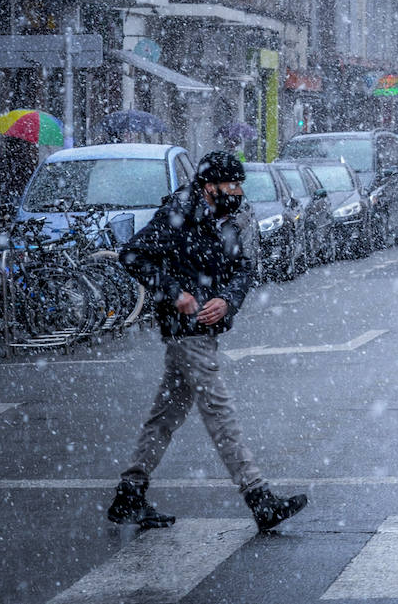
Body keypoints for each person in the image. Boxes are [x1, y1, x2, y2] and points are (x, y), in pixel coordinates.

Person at [106, 151, 307, 532]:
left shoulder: (228, 217)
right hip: (188, 331)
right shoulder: (179, 212)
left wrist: (228, 300)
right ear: (210, 185)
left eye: (239, 184)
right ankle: (258, 497)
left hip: (205, 329)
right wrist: (174, 293)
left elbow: (243, 267)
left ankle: (129, 493)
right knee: (220, 413)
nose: (238, 191)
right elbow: (133, 254)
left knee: (166, 416)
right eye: (232, 184)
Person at [0, 138, 38, 217]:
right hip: (22, 193)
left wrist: (4, 187)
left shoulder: (1, 158)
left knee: (7, 218)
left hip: (7, 193)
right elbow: (31, 178)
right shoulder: (26, 158)